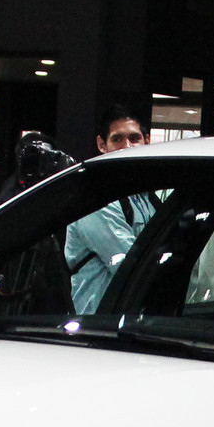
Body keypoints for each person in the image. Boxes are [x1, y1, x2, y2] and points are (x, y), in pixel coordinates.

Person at [65, 108, 156, 311]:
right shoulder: (97, 201)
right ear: (101, 144)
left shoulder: (146, 197)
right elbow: (131, 268)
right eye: (117, 139)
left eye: (134, 138)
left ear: (147, 140)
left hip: (130, 317)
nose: (127, 146)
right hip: (99, 322)